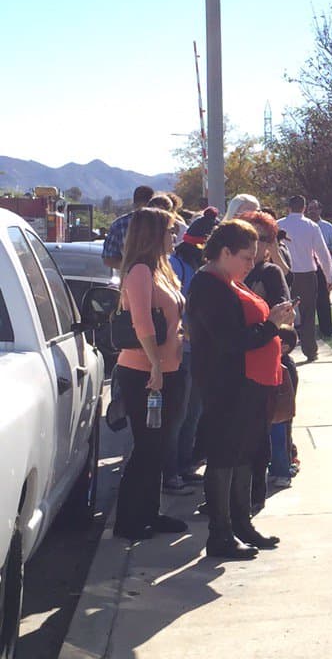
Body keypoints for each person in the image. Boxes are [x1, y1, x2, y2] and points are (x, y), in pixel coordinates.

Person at [187, 219, 295, 559]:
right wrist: (270, 327)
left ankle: (241, 523)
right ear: (224, 252)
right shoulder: (208, 286)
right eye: (246, 257)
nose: (252, 264)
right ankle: (220, 534)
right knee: (224, 456)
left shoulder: (230, 282)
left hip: (250, 385)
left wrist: (277, 328)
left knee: (246, 453)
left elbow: (251, 329)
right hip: (227, 385)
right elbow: (230, 340)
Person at [111, 207, 189, 540]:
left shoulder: (162, 270)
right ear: (153, 234)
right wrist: (156, 364)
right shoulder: (139, 271)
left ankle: (150, 513)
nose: (175, 237)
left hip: (170, 368)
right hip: (144, 372)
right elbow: (141, 321)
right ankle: (128, 521)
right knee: (145, 447)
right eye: (170, 231)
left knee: (158, 446)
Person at [240, 211, 300, 492]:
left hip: (269, 355)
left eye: (263, 239)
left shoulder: (270, 272)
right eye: (251, 236)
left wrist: (276, 323)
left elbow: (286, 316)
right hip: (238, 358)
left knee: (277, 417)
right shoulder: (229, 272)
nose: (256, 245)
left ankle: (280, 467)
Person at [163, 207, 219, 496]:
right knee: (179, 412)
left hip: (202, 349)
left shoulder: (205, 267)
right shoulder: (176, 265)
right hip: (182, 348)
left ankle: (185, 465)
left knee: (194, 410)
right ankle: (170, 472)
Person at [277, 195, 332, 362]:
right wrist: (328, 276)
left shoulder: (279, 225)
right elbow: (322, 253)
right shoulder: (311, 226)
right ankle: (310, 350)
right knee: (308, 313)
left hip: (285, 273)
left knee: (284, 312)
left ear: (289, 207)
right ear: (304, 208)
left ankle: (282, 348)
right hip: (307, 273)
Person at [307, 200, 332, 339]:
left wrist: (327, 252)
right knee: (306, 300)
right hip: (307, 267)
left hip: (323, 266)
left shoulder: (327, 227)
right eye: (310, 209)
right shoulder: (305, 226)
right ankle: (306, 330)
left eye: (315, 208)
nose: (312, 211)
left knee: (323, 299)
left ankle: (326, 329)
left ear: (320, 210)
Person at [102, 185, 155, 270]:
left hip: (129, 278)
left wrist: (128, 268)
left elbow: (108, 259)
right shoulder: (160, 224)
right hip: (156, 278)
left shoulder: (118, 225)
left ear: (133, 203)